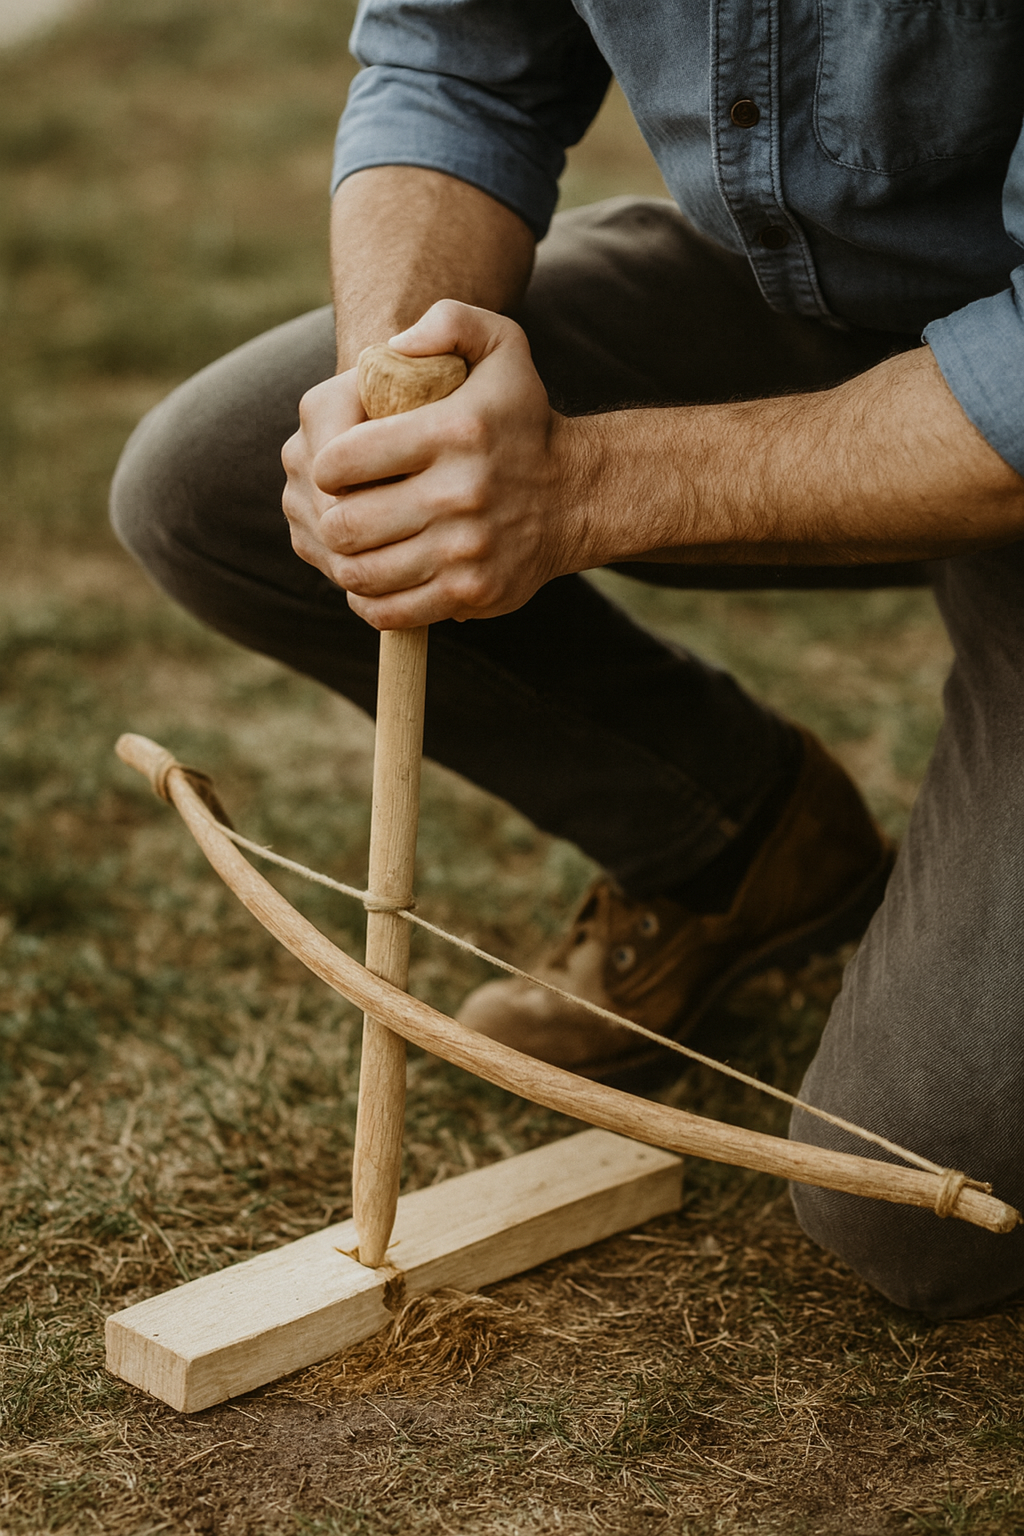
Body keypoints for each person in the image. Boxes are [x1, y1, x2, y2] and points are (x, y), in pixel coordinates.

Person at [110, 1, 1024, 1319]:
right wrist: (397, 408)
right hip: (822, 297)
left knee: (913, 1206)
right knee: (211, 483)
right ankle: (740, 846)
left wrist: (587, 487)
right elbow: (454, 64)